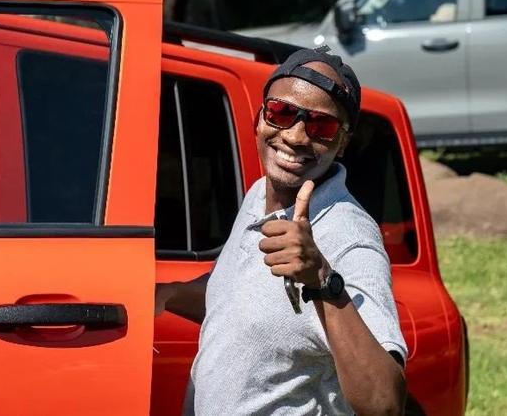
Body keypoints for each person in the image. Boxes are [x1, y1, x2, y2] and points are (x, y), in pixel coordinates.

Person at [155, 46, 407, 415]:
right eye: (282, 112)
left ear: (342, 143)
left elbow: (385, 403)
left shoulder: (350, 239)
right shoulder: (260, 193)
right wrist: (170, 294)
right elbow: (242, 299)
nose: (296, 136)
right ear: (260, 118)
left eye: (321, 126)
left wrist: (322, 279)